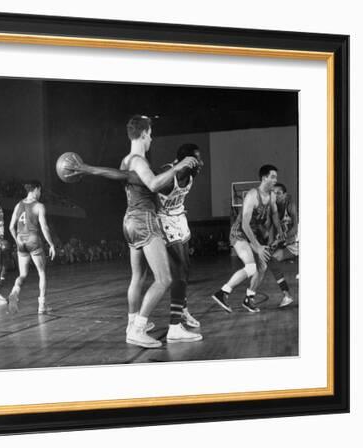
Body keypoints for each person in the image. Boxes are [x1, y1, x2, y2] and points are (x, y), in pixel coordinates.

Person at [66, 115, 199, 348]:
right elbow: (155, 185)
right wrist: (178, 166)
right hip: (144, 220)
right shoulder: (139, 160)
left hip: (129, 220)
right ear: (145, 133)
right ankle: (138, 330)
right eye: (151, 134)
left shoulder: (126, 160)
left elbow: (120, 176)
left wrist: (87, 169)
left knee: (138, 277)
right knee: (164, 278)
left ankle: (131, 322)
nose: (152, 139)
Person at [211, 165, 284, 313]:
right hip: (239, 233)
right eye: (273, 177)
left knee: (262, 267)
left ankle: (249, 298)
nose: (276, 180)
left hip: (253, 235)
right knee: (251, 267)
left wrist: (280, 230)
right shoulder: (252, 196)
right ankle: (222, 293)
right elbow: (244, 225)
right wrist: (257, 247)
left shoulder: (271, 196)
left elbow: (275, 214)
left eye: (276, 177)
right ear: (264, 178)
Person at [154, 143, 205, 340]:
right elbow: (151, 190)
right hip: (164, 220)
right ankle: (174, 327)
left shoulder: (191, 174)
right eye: (197, 159)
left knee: (187, 268)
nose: (201, 163)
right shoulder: (168, 174)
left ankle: (181, 309)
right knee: (179, 271)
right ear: (187, 161)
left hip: (179, 218)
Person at [8, 181, 56, 314]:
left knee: (22, 274)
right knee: (41, 272)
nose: (40, 194)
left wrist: (16, 240)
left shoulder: (18, 205)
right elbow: (44, 227)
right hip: (33, 239)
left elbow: (11, 227)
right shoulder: (39, 206)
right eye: (40, 191)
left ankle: (15, 291)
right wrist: (51, 244)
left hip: (20, 240)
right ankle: (42, 306)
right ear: (36, 189)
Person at [267, 183, 298, 307]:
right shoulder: (273, 209)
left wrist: (280, 239)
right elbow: (271, 230)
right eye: (273, 193)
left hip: (300, 241)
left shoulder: (290, 205)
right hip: (291, 244)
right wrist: (271, 243)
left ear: (285, 195)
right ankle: (287, 295)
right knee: (272, 259)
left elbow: (295, 228)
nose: (275, 196)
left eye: (278, 193)